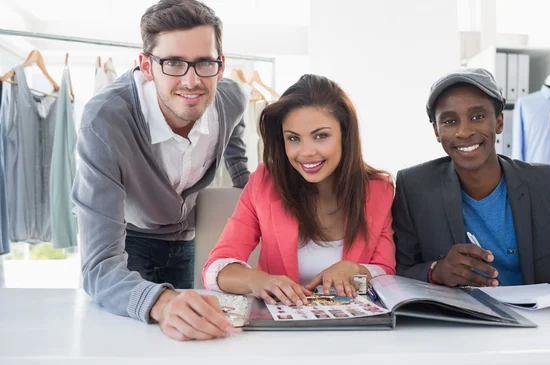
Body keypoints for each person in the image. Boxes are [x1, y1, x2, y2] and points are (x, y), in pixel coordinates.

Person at [72, 0, 249, 341]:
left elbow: (235, 132)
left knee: (189, 341)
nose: (192, 80)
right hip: (128, 243)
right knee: (131, 345)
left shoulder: (232, 100)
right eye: (173, 63)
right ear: (147, 65)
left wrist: (245, 181)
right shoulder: (104, 122)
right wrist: (161, 302)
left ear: (221, 65)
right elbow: (99, 268)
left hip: (188, 240)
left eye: (204, 63)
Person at [392, 68, 550, 304]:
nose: (464, 131)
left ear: (499, 121)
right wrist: (436, 271)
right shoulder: (414, 187)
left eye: (477, 117)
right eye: (450, 121)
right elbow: (399, 272)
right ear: (436, 132)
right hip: (461, 333)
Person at [202, 74, 396, 306]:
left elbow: (387, 273)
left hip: (350, 330)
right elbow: (216, 269)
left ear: (346, 136)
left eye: (321, 136)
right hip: (283, 329)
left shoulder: (378, 189)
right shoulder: (264, 182)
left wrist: (356, 270)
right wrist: (257, 280)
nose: (305, 152)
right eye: (293, 139)